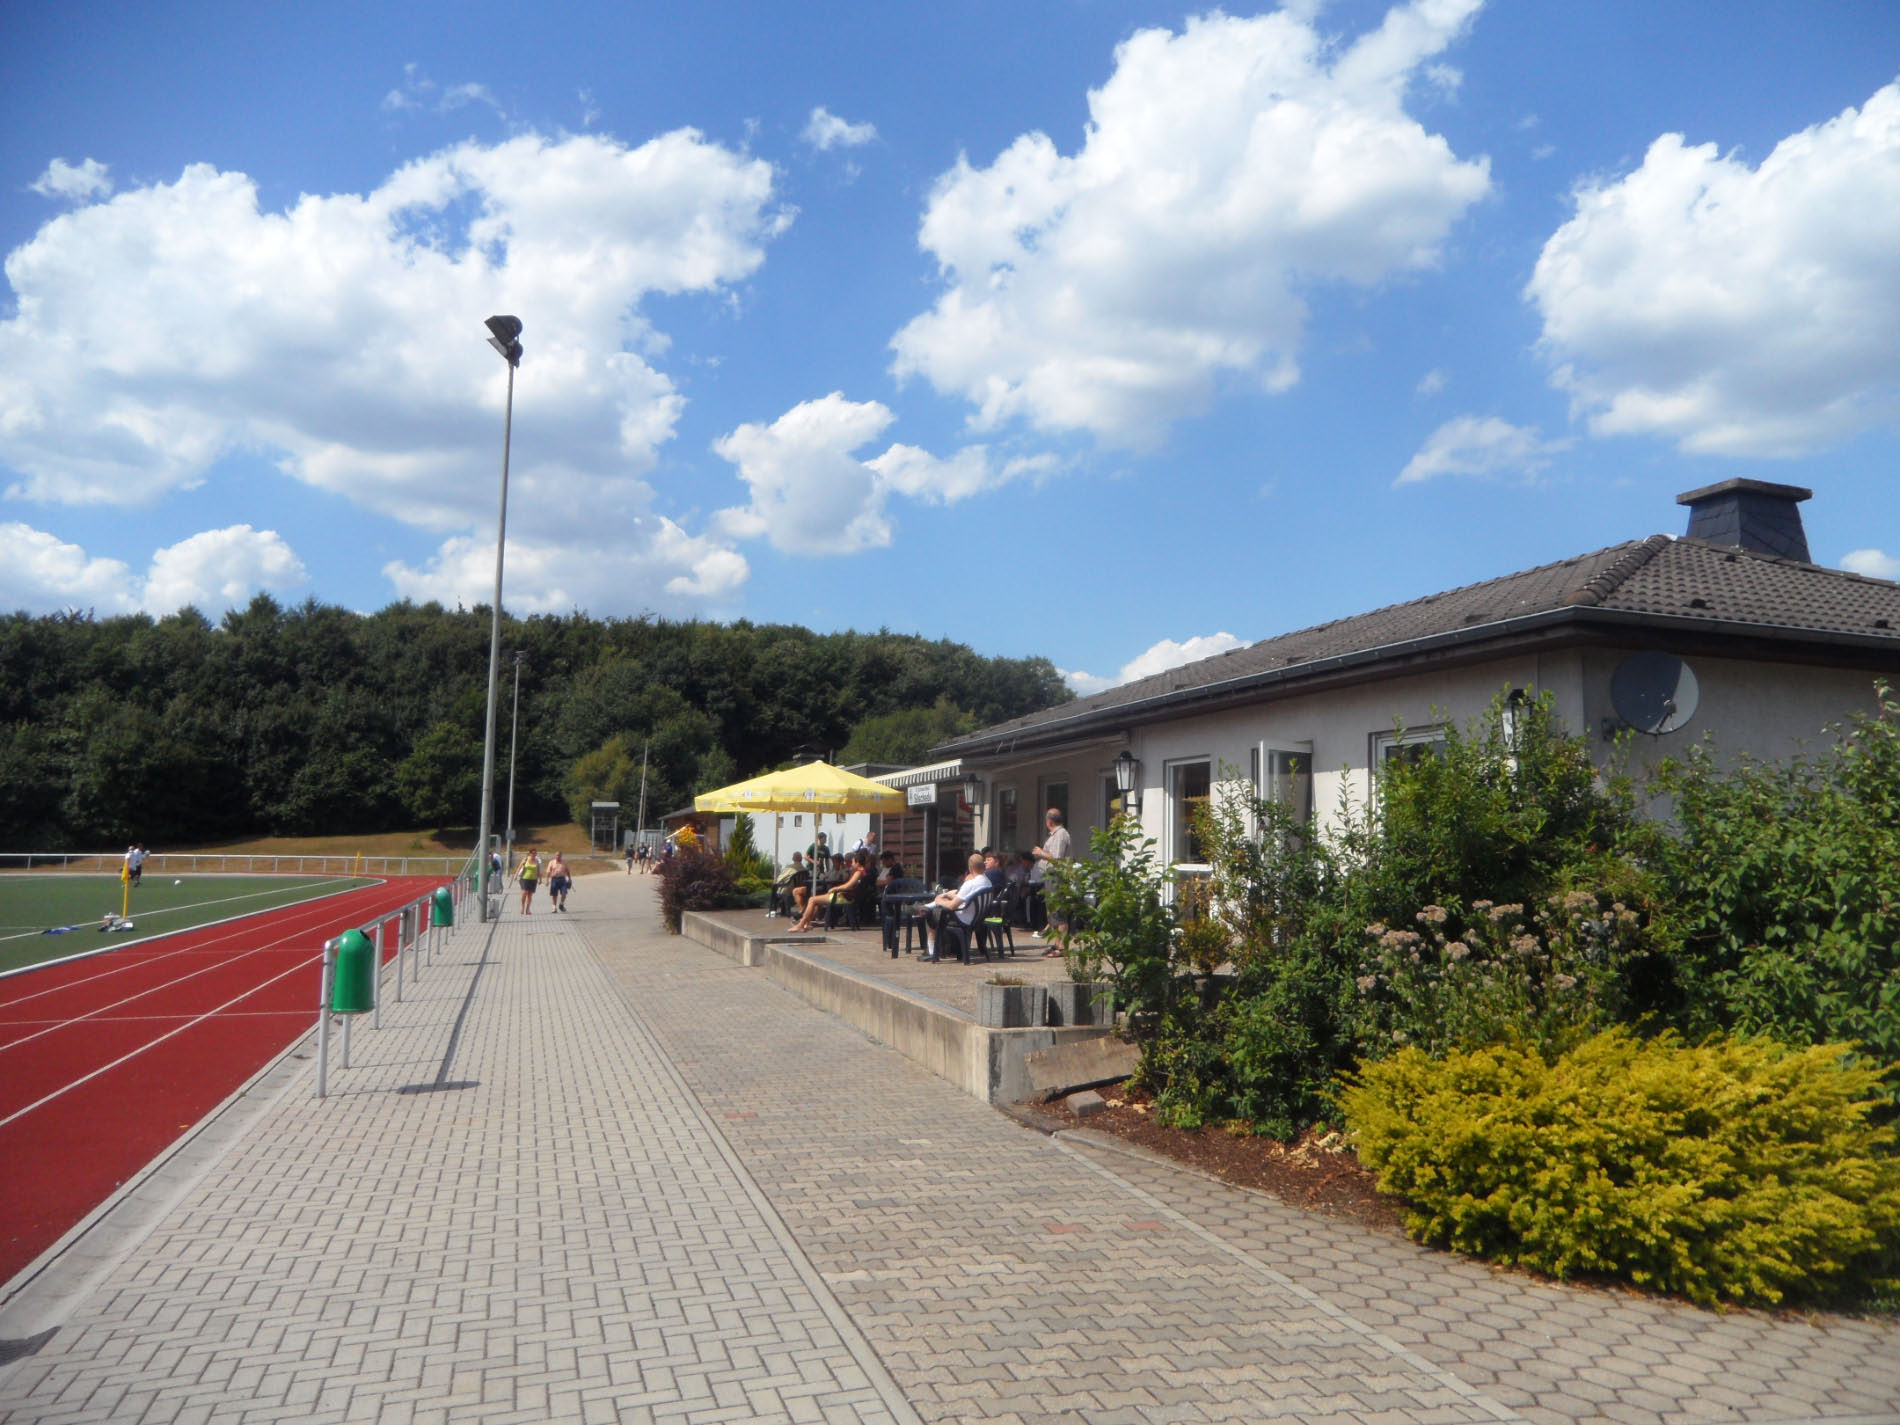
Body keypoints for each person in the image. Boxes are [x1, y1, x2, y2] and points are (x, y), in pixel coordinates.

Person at [922, 854, 991, 962]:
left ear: (970, 868)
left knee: (931, 914)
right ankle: (924, 907)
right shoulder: (987, 882)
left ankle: (931, 952)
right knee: (944, 900)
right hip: (977, 919)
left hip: (963, 919)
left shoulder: (970, 884)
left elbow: (952, 906)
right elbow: (967, 897)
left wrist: (939, 900)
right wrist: (948, 895)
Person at [787, 850, 869, 933]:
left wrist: (834, 889)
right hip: (848, 897)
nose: (852, 864)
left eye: (853, 862)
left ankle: (801, 925)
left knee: (812, 899)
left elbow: (848, 886)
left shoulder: (858, 873)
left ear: (858, 863)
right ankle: (806, 923)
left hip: (844, 897)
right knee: (816, 901)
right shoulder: (864, 873)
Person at [1031, 808, 1072, 953]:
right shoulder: (1055, 834)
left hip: (1057, 876)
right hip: (1051, 876)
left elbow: (1057, 857)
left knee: (1059, 911)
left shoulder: (1060, 834)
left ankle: (1062, 947)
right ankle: (1057, 944)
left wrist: (1041, 853)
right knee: (1053, 912)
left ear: (1049, 821)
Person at [770, 852, 806, 917]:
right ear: (801, 859)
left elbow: (779, 879)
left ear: (793, 858)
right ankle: (783, 910)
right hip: (800, 890)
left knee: (775, 887)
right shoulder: (804, 869)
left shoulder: (790, 868)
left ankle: (773, 910)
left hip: (788, 891)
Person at [518, 849, 541, 915]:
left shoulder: (537, 861)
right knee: (524, 893)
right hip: (524, 878)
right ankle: (522, 908)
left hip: (533, 879)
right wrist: (516, 875)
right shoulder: (525, 859)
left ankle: (528, 909)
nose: (534, 854)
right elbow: (519, 867)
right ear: (530, 853)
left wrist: (540, 879)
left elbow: (539, 871)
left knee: (530, 895)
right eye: (533, 853)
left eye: (535, 853)